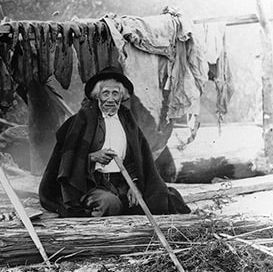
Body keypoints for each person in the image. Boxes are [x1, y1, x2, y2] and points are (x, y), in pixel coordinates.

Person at [39, 67, 189, 217]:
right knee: (110, 203)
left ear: (122, 97)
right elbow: (66, 161)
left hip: (123, 182)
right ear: (97, 96)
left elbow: (137, 160)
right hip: (92, 184)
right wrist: (92, 157)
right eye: (106, 93)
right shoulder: (80, 121)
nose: (110, 99)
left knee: (162, 198)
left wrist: (135, 185)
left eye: (115, 93)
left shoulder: (128, 122)